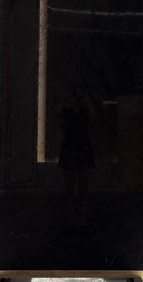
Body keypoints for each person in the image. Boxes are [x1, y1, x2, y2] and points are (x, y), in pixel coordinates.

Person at [58, 83, 97, 227]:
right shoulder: (66, 110)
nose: (76, 95)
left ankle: (81, 216)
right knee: (70, 185)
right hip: (71, 146)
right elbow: (57, 116)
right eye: (74, 92)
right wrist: (67, 98)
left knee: (83, 185)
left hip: (81, 146)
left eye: (77, 92)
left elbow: (94, 115)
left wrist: (86, 98)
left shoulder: (85, 110)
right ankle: (72, 216)